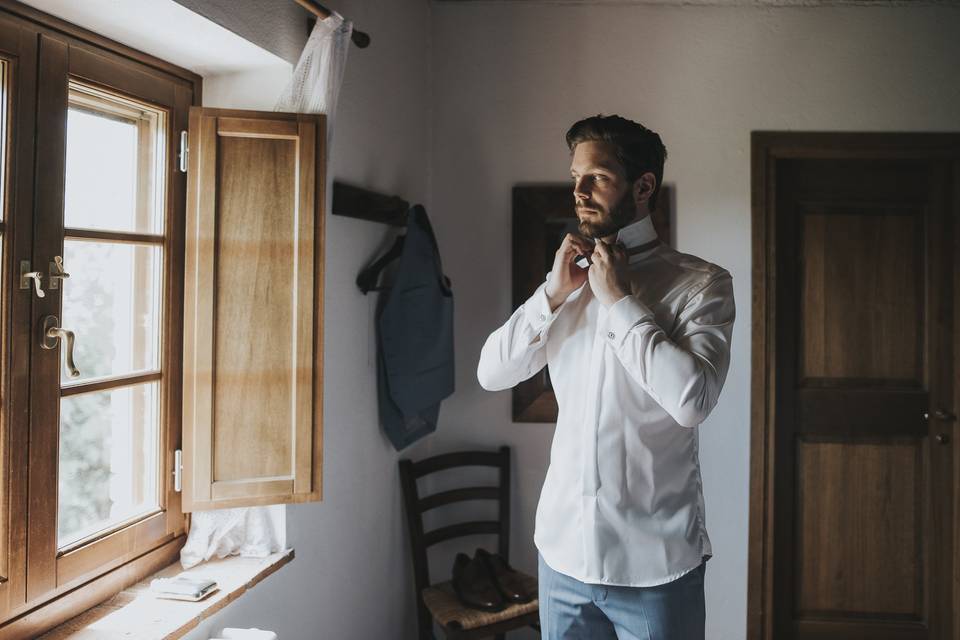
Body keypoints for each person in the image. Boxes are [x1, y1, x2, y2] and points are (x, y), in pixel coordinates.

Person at [476, 114, 735, 639]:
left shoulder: (700, 285)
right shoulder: (565, 284)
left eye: (596, 176)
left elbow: (693, 401)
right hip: (562, 557)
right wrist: (549, 295)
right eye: (575, 176)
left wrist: (619, 303)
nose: (578, 190)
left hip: (655, 567)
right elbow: (491, 373)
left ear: (643, 186)